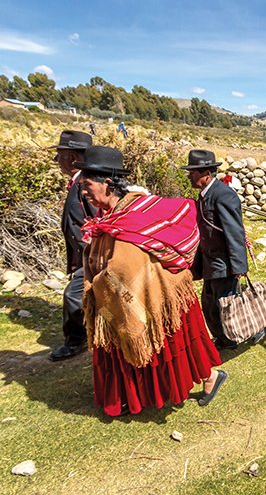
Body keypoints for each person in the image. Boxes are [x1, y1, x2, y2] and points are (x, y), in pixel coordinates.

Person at [78, 146, 226, 417]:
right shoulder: (109, 218)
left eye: (87, 185)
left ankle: (211, 376)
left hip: (159, 294)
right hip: (131, 298)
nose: (83, 191)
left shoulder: (140, 211)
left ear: (107, 184)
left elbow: (127, 264)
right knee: (127, 347)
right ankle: (127, 395)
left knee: (176, 344)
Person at [182, 150, 253, 350]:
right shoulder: (205, 195)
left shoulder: (223, 195)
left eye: (193, 172)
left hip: (224, 264)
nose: (189, 176)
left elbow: (234, 232)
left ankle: (234, 338)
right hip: (210, 264)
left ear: (206, 173)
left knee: (225, 305)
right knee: (210, 305)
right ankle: (223, 339)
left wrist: (239, 266)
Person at [49, 131, 97, 361]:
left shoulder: (85, 185)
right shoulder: (79, 182)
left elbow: (97, 217)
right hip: (84, 254)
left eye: (60, 156)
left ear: (72, 157)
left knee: (72, 295)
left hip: (90, 254)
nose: (58, 162)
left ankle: (77, 340)